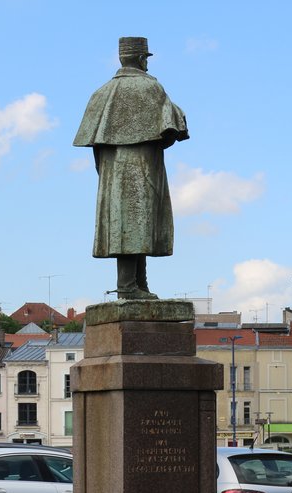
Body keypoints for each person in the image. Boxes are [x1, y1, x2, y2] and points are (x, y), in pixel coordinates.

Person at [74, 36, 189, 300]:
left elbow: (95, 145)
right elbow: (172, 129)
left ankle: (138, 283)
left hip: (113, 171)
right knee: (138, 222)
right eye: (146, 59)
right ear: (141, 59)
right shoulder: (151, 89)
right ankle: (128, 286)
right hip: (143, 167)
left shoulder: (102, 93)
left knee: (129, 224)